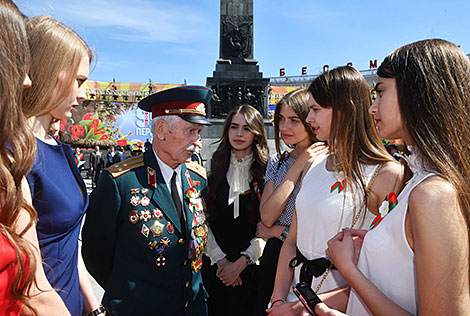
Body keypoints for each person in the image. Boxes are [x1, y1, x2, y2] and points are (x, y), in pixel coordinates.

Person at [319, 39, 470, 316]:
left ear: (420, 94)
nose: (373, 107)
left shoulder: (432, 193)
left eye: (380, 93)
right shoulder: (418, 180)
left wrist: (349, 270)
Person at [268, 66, 403, 316]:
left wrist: (300, 307)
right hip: (292, 298)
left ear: (345, 110)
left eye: (316, 110)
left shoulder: (386, 174)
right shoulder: (313, 163)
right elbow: (292, 242)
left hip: (339, 308)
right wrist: (277, 300)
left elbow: (385, 273)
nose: (309, 119)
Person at [82, 85, 213, 315]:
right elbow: (95, 253)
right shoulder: (121, 182)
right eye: (190, 131)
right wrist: (130, 292)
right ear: (161, 129)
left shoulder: (197, 178)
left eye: (199, 133)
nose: (197, 141)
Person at [22, 16, 103, 316]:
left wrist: (94, 309)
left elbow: (70, 246)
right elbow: (28, 279)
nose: (83, 95)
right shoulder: (16, 156)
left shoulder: (60, 149)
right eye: (79, 81)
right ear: (50, 74)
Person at [255, 88, 328, 315]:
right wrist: (298, 165)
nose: (284, 127)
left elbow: (316, 222)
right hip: (275, 257)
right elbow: (266, 216)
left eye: (294, 120)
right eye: (281, 120)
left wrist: (279, 231)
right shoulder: (277, 161)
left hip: (309, 258)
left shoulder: (327, 161)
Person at [202, 105, 269, 316]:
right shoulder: (210, 167)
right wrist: (222, 263)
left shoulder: (269, 170)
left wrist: (242, 262)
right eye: (234, 127)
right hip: (215, 268)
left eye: (247, 128)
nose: (239, 134)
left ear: (257, 133)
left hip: (253, 270)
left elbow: (270, 225)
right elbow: (201, 220)